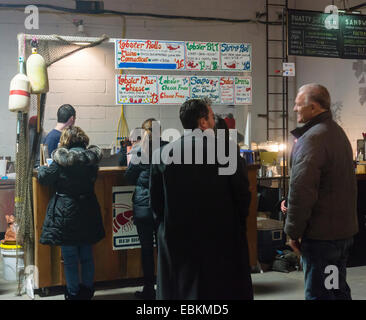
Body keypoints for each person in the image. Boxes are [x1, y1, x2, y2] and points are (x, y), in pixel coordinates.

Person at [150, 98, 253, 300]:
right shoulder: (227, 151)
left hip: (177, 239)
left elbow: (156, 203)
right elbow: (242, 195)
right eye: (212, 117)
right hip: (220, 238)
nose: (214, 122)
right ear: (203, 122)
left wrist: (165, 228)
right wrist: (237, 224)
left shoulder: (162, 155)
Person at [284, 83, 358, 300]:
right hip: (340, 233)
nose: (295, 109)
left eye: (298, 105)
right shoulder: (337, 133)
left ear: (314, 108)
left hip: (321, 238)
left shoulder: (313, 139)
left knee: (321, 293)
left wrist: (293, 232)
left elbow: (302, 191)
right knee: (335, 288)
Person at [38, 126, 105, 300]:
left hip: (65, 213)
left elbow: (44, 178)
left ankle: (73, 293)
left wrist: (45, 167)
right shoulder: (92, 160)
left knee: (70, 258)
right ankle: (87, 291)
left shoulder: (61, 161)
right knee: (86, 255)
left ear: (66, 141)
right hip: (88, 209)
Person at [124, 119, 167, 300]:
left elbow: (128, 177)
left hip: (143, 205)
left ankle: (149, 289)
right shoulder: (168, 149)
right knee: (164, 249)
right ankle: (166, 289)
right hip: (163, 205)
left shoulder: (139, 152)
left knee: (147, 250)